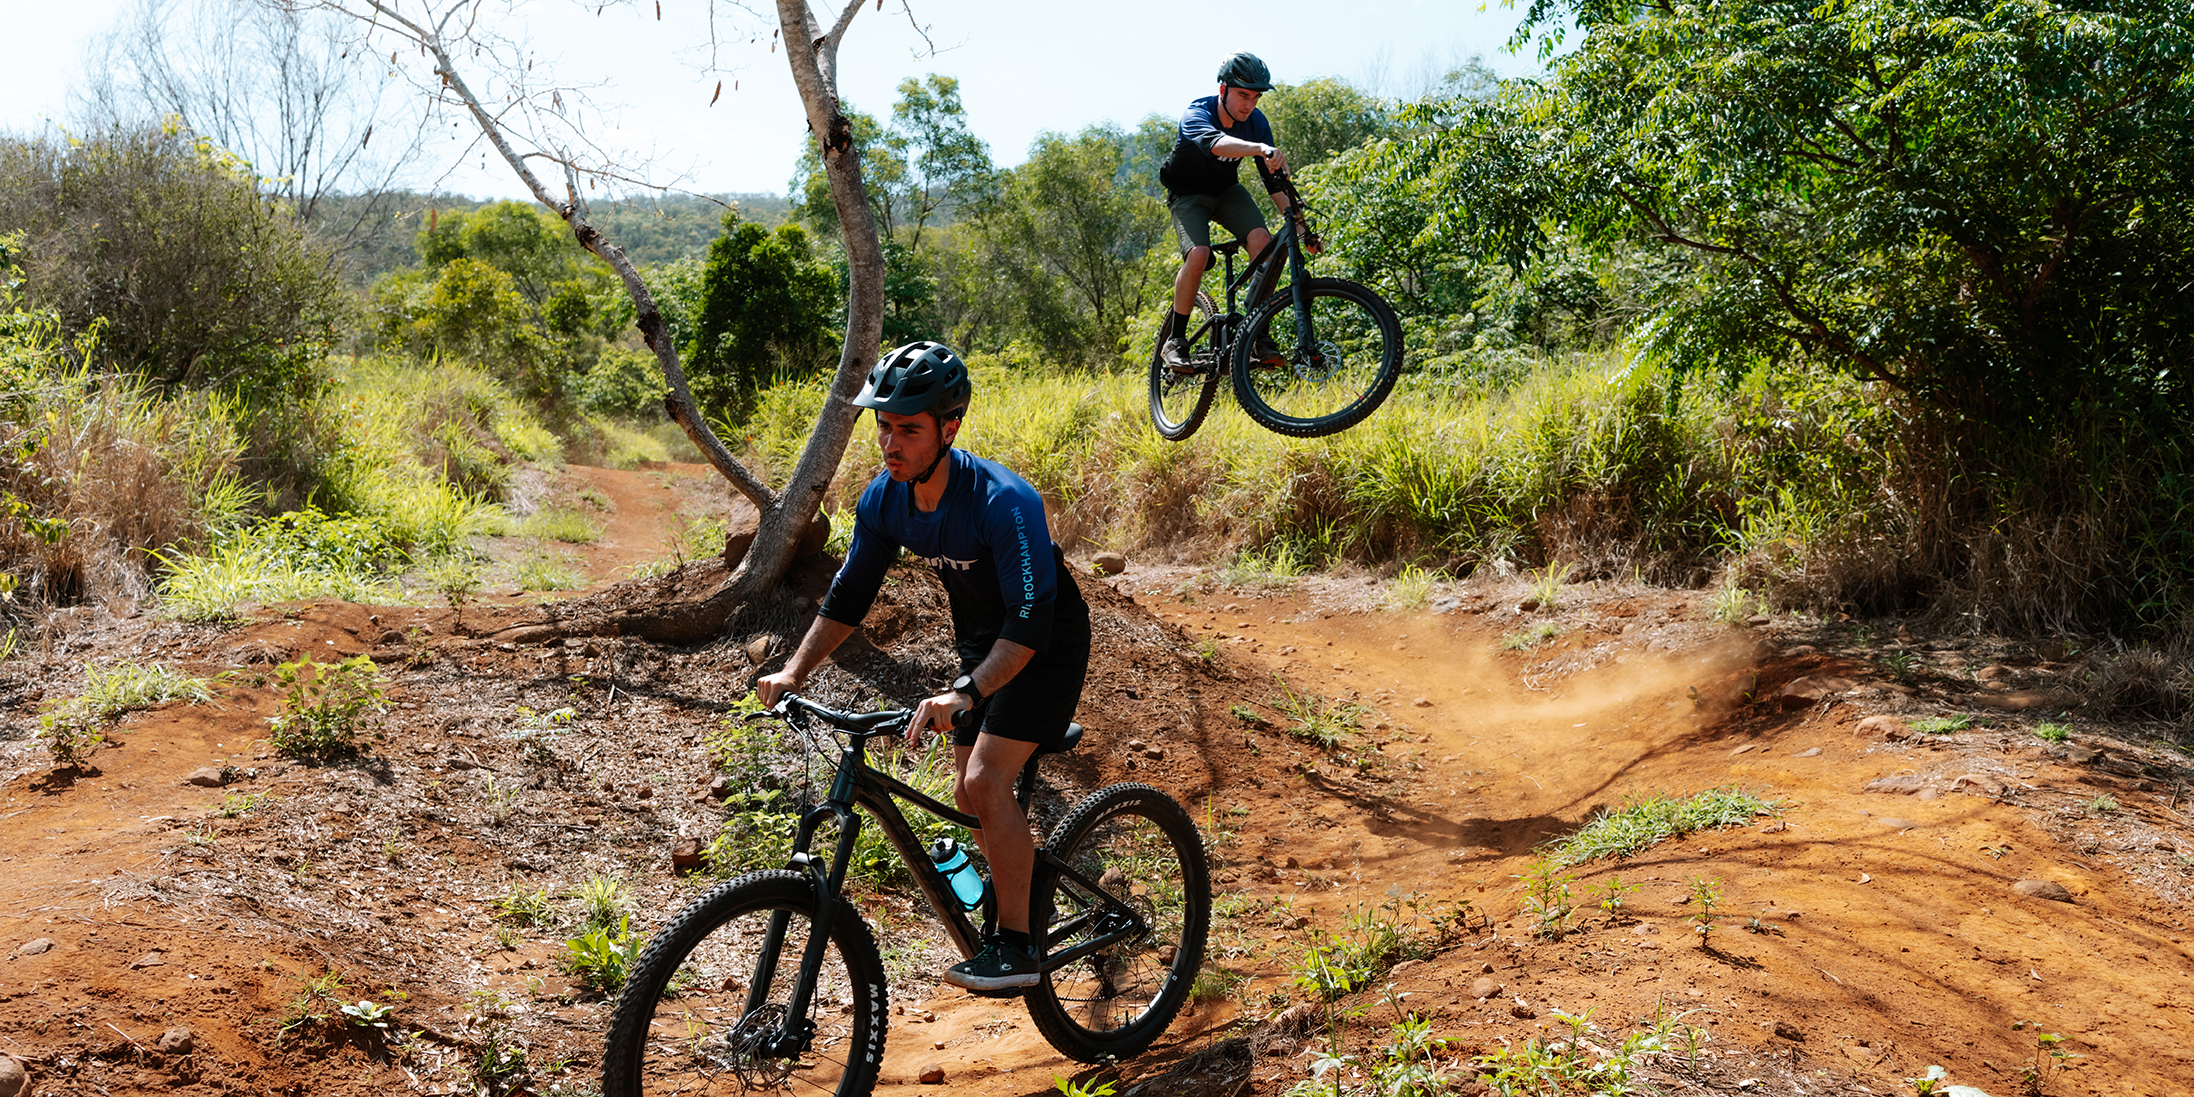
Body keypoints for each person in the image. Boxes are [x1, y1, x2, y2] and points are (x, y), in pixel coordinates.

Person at [755, 340, 1091, 993]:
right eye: (883, 425)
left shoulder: (1003, 501)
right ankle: (1018, 883)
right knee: (967, 791)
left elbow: (1027, 625)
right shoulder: (886, 500)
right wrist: (795, 670)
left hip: (1043, 641)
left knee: (989, 780)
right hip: (982, 638)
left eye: (907, 428)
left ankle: (1018, 946)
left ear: (950, 427)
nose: (889, 441)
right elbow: (850, 595)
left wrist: (962, 694)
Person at [1158, 51, 1296, 370]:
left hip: (1226, 193)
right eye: (1242, 95)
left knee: (1264, 241)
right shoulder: (1197, 113)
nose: (1249, 104)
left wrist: (1300, 227)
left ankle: (1257, 331)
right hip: (1188, 196)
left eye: (1255, 97)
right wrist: (1261, 149)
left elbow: (1274, 184)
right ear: (1223, 90)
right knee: (1199, 254)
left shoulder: (1257, 124)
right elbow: (1218, 144)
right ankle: (1175, 340)